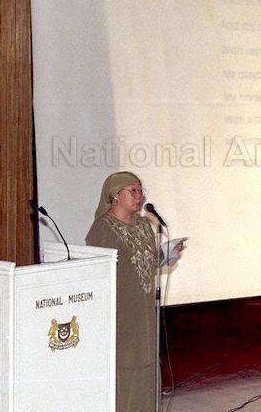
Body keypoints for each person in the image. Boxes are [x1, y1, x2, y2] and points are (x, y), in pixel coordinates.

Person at [86, 171, 176, 411]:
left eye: (140, 190)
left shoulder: (145, 225)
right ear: (115, 195)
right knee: (126, 365)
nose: (140, 196)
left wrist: (166, 255)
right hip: (121, 312)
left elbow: (144, 260)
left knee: (146, 362)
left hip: (144, 311)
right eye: (133, 191)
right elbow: (98, 273)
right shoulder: (103, 229)